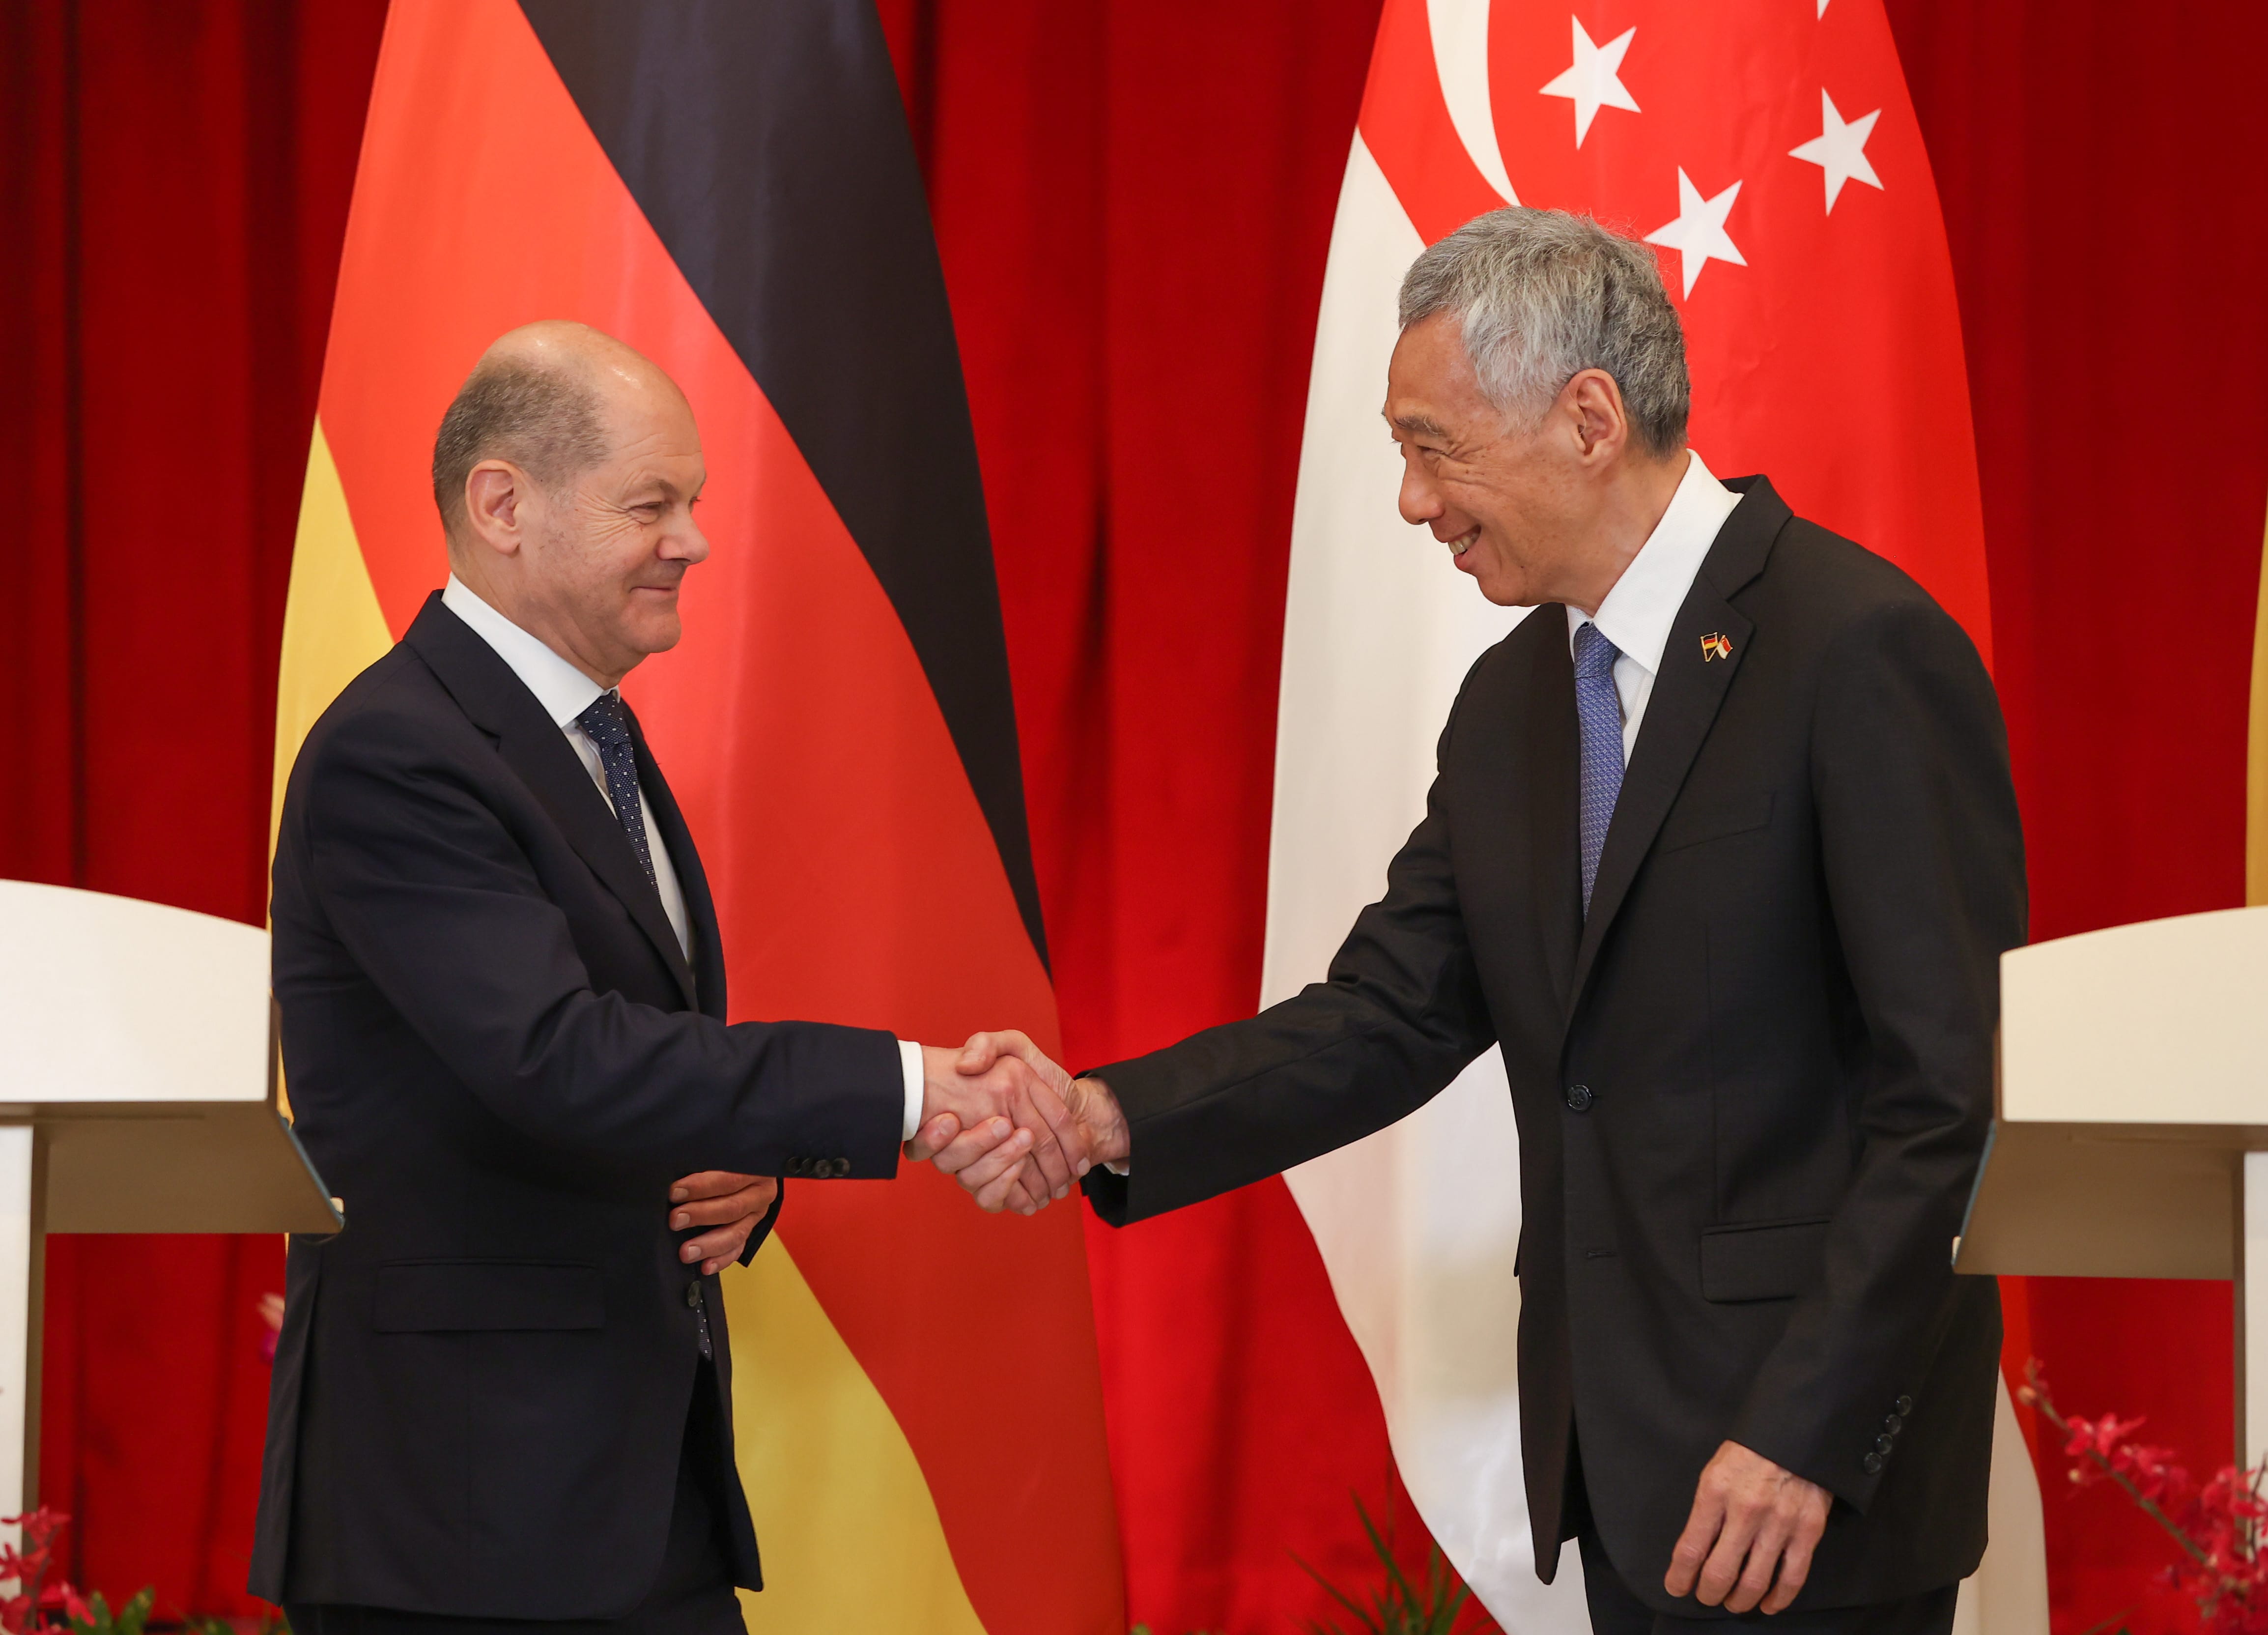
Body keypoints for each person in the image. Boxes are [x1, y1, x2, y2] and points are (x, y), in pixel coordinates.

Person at [938, 210, 2026, 1635]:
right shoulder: (1514, 704)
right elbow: (1386, 1015)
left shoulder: (1857, 646)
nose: (1413, 503)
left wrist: (1804, 1435)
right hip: (1624, 1471)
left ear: (1590, 418)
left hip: (1802, 1490)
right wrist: (1101, 1116)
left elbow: (1949, 1096)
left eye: (1433, 447)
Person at [253, 321, 1075, 1634]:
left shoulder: (592, 737)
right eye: (652, 505)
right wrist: (915, 1090)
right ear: (503, 506)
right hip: (463, 1522)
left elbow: (630, 1060)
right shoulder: (397, 753)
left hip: (632, 1497)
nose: (693, 541)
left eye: (691, 503)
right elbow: (558, 1057)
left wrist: (736, 1164)